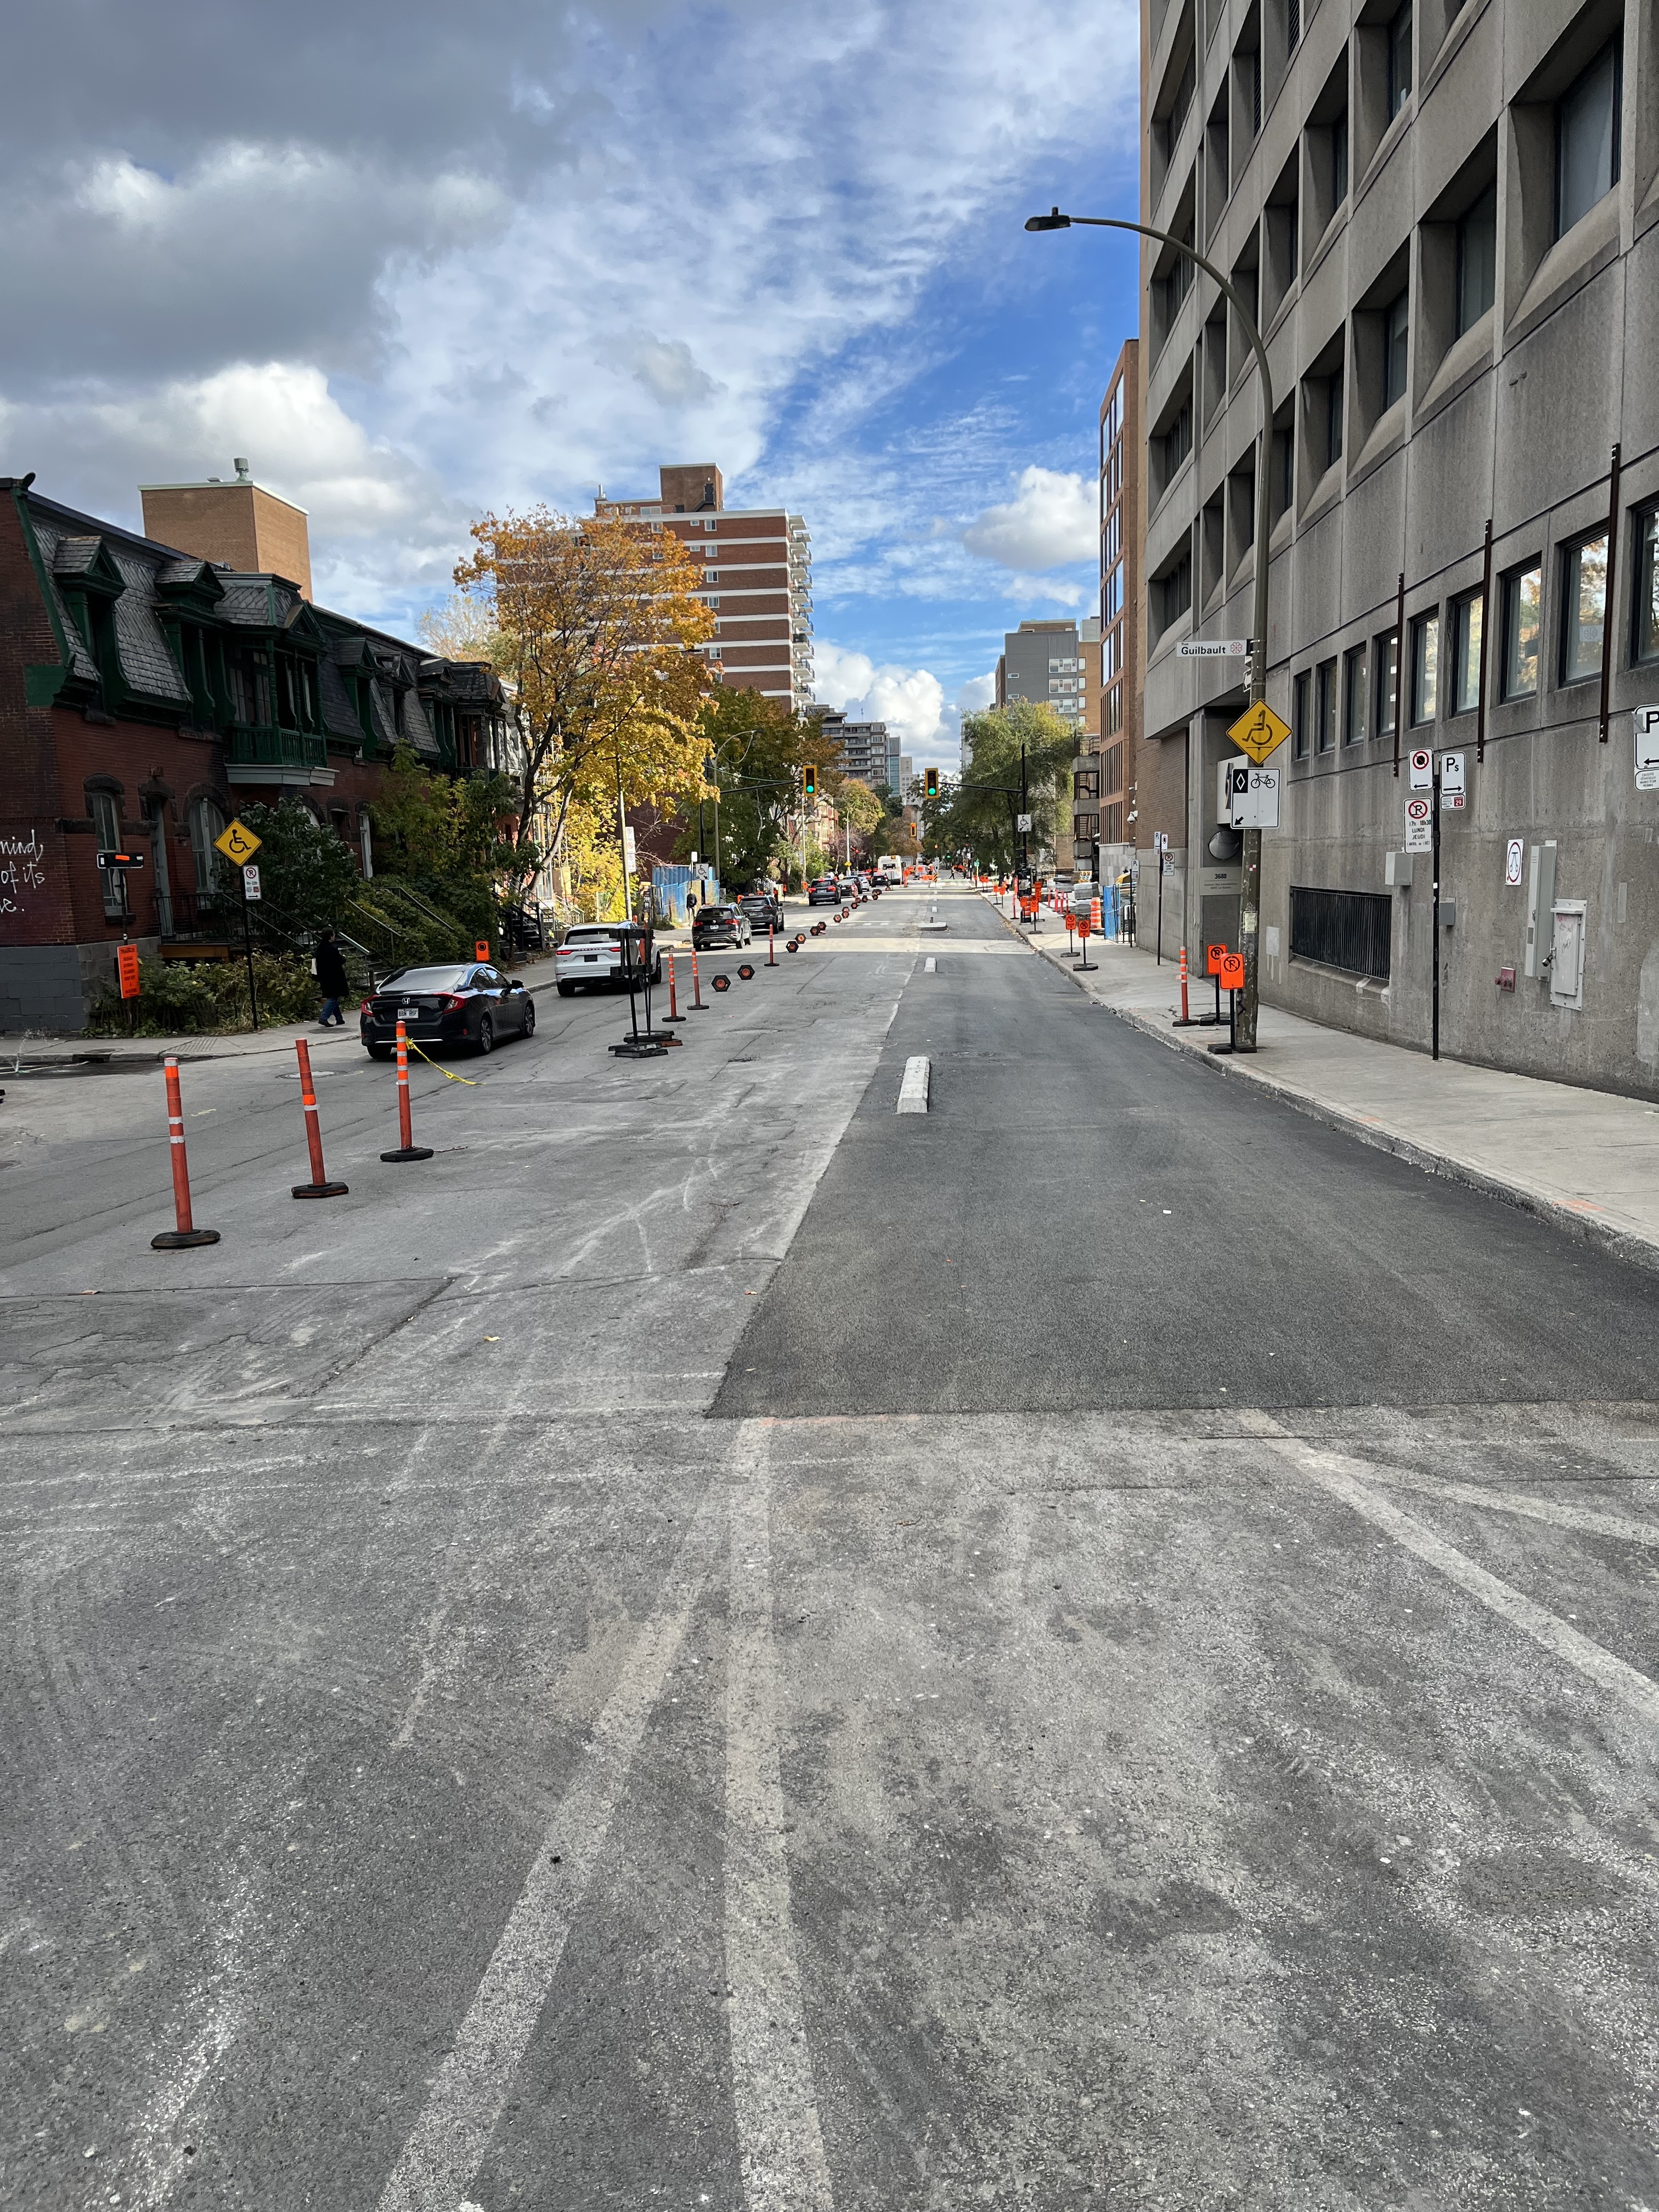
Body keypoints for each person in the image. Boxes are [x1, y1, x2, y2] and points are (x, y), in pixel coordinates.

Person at [314, 929, 348, 1026]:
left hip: (324, 976)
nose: (334, 937)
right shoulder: (331, 948)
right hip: (334, 976)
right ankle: (324, 1017)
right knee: (333, 997)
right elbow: (338, 961)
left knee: (332, 996)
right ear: (330, 936)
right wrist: (344, 959)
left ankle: (339, 1018)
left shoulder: (320, 947)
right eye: (333, 935)